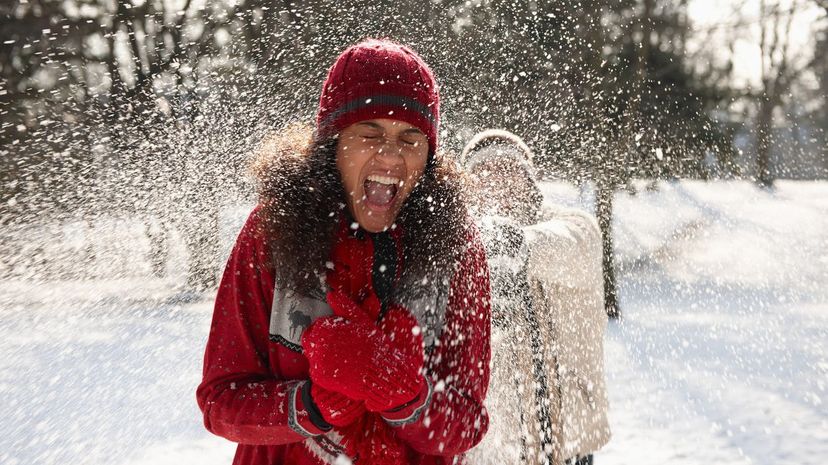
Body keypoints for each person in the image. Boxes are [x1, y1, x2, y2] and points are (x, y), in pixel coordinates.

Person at [196, 39, 492, 465]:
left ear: (429, 156)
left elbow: (467, 424)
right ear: (332, 145)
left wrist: (404, 397)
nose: (390, 154)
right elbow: (220, 402)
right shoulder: (271, 233)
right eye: (369, 133)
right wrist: (312, 406)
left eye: (411, 138)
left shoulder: (456, 249)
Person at [462, 130, 610, 465]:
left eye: (508, 170)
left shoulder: (570, 224)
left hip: (566, 437)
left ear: (528, 178)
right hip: (494, 447)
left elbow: (574, 248)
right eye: (485, 172)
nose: (498, 180)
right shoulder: (463, 241)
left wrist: (516, 244)